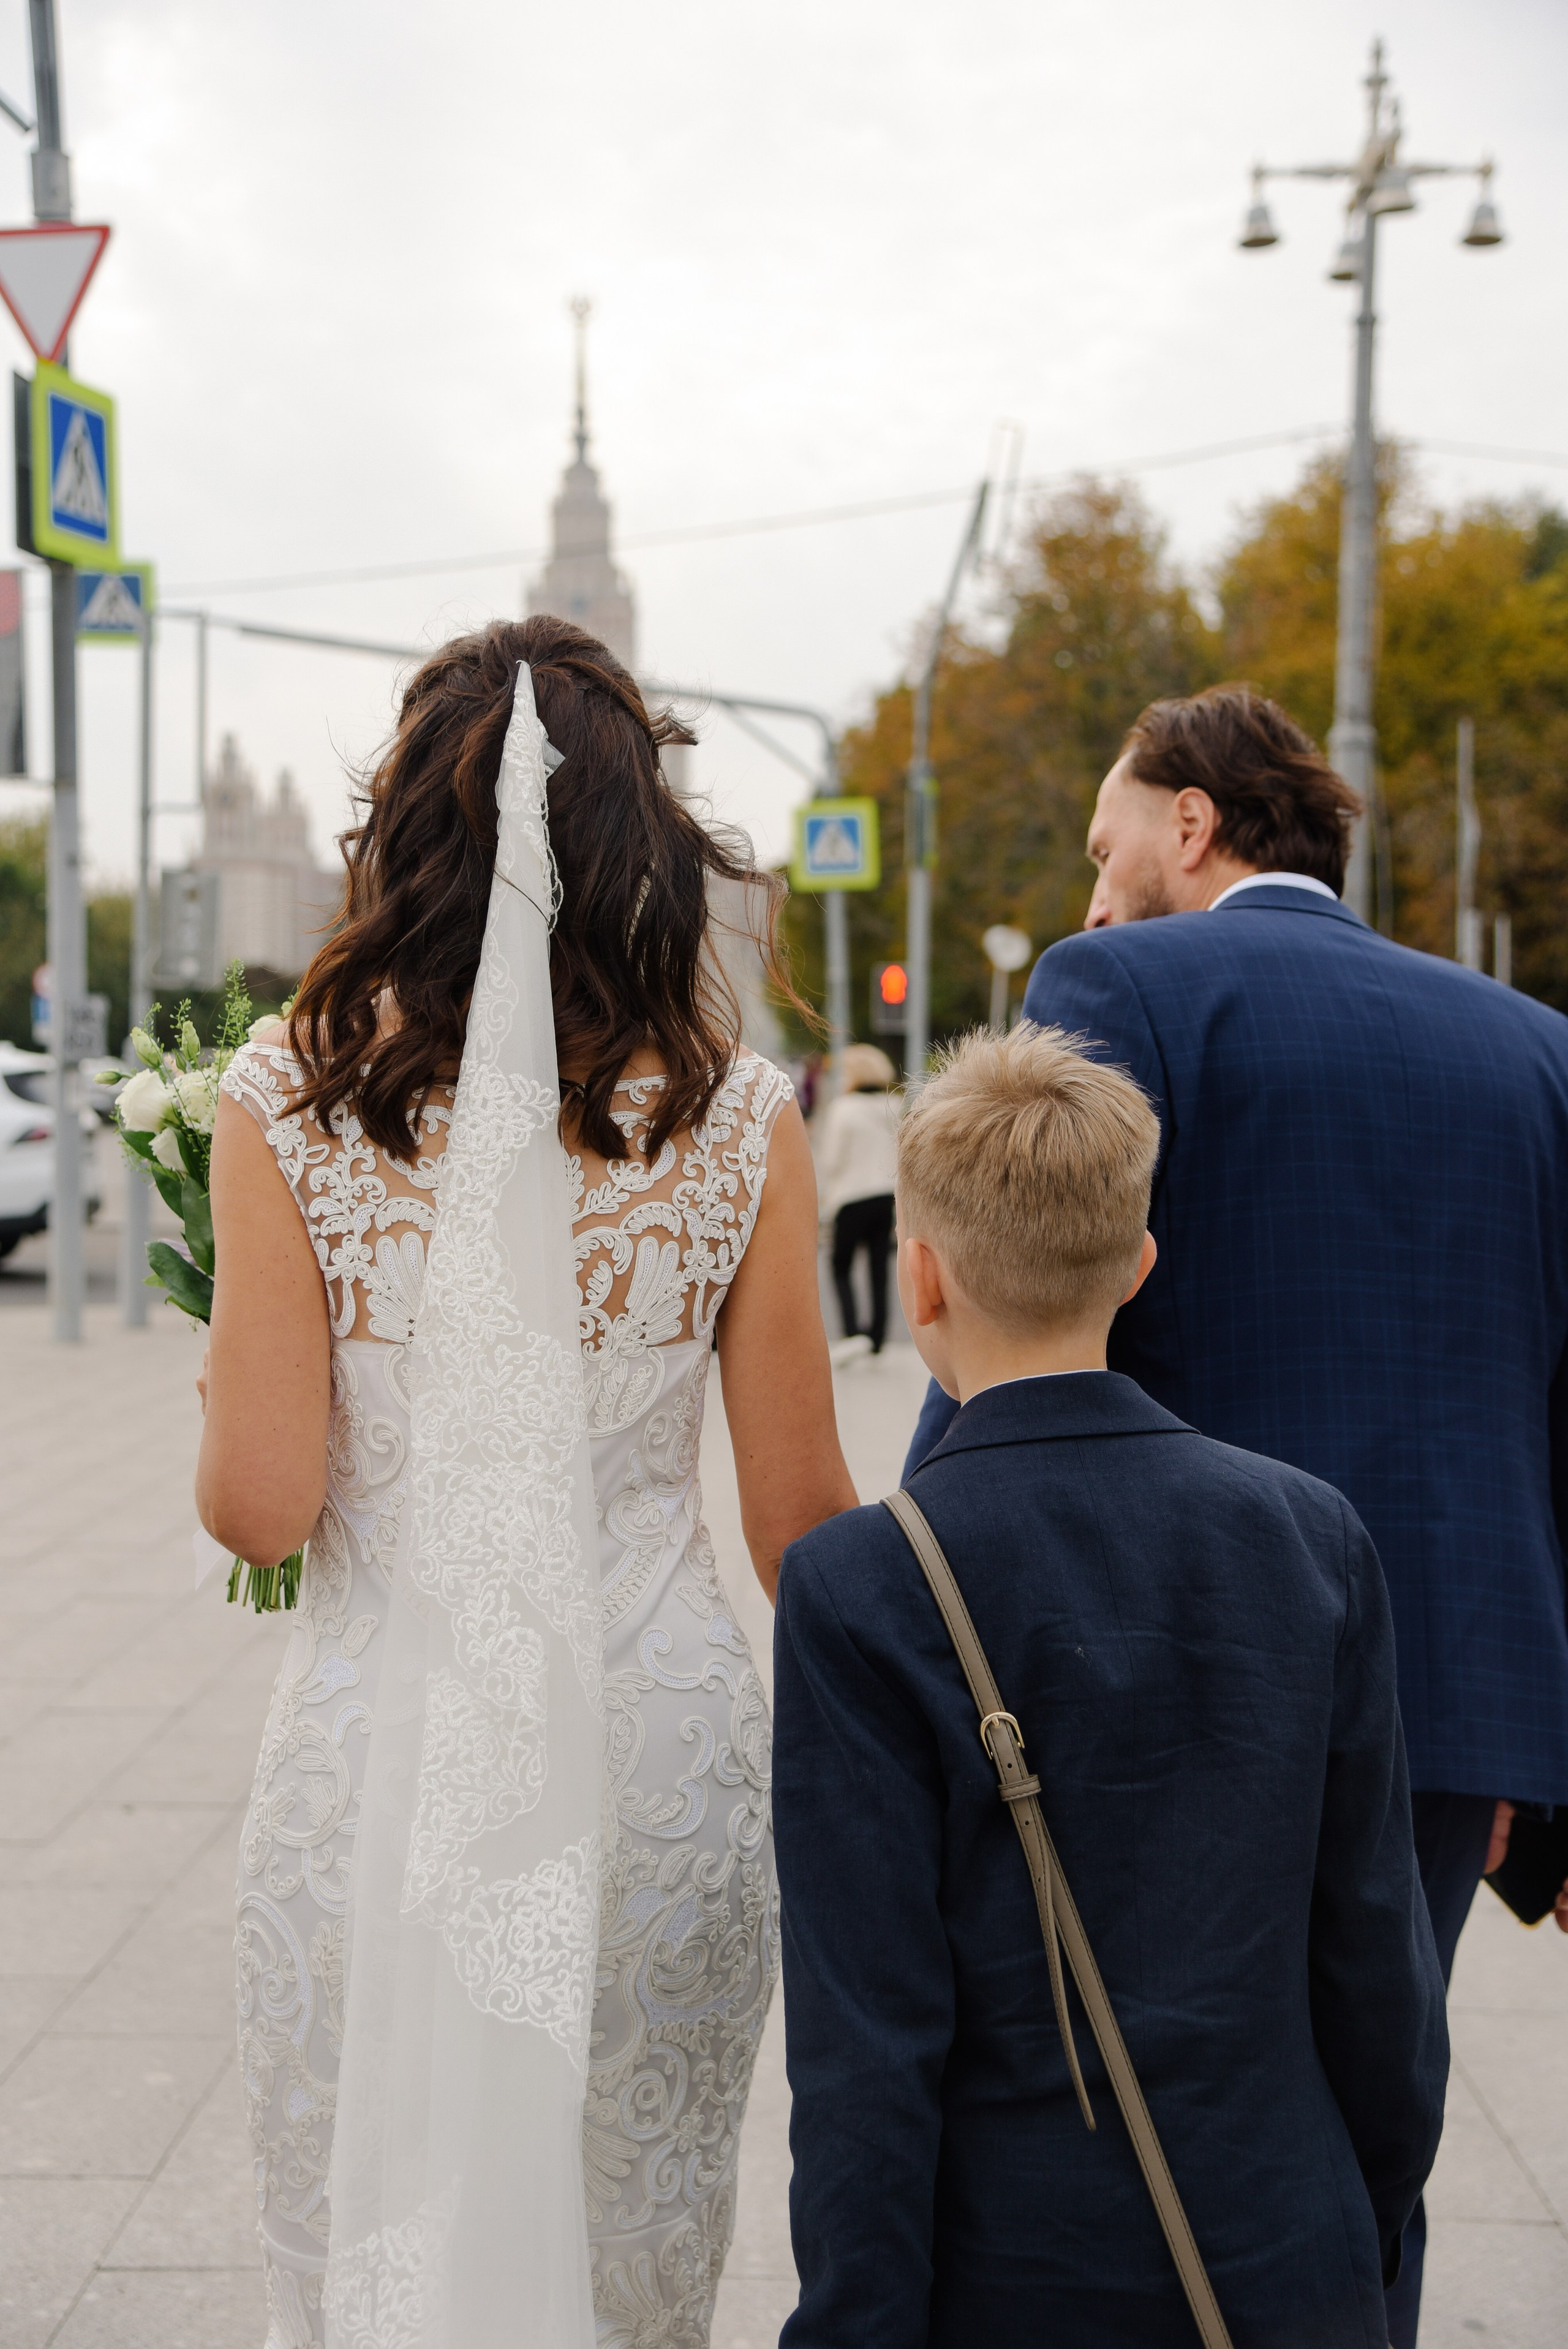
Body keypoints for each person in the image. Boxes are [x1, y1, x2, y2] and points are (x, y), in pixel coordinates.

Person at [195, 617, 858, 2348]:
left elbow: (261, 1501)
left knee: (366, 2244)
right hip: (654, 1757)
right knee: (631, 2261)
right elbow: (804, 1530)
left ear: (406, 831)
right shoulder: (738, 1121)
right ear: (645, 848)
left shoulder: (290, 1094)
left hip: (382, 1755)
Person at [905, 682, 1568, 2345]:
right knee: (1375, 2110)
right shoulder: (1536, 1043)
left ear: (1189, 824)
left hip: (1176, 1663)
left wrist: (921, 1580)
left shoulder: (1121, 981)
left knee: (1133, 2105)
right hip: (1454, 1703)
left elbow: (1014, 1292)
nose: (1089, 880)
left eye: (1103, 834)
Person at [775, 1025, 1447, 2347]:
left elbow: (866, 2047)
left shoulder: (862, 1581)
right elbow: (1377, 1963)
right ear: (1137, 1264)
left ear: (918, 1277)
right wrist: (1354, 2238)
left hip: (1008, 2271)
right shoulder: (1311, 1534)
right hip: (1281, 2244)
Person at [814, 1041, 901, 1352]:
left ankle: (853, 1332)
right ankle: (878, 1337)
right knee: (880, 1267)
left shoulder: (844, 1109)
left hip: (851, 1196)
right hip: (885, 1196)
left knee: (841, 1265)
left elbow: (832, 1160)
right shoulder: (895, 1106)